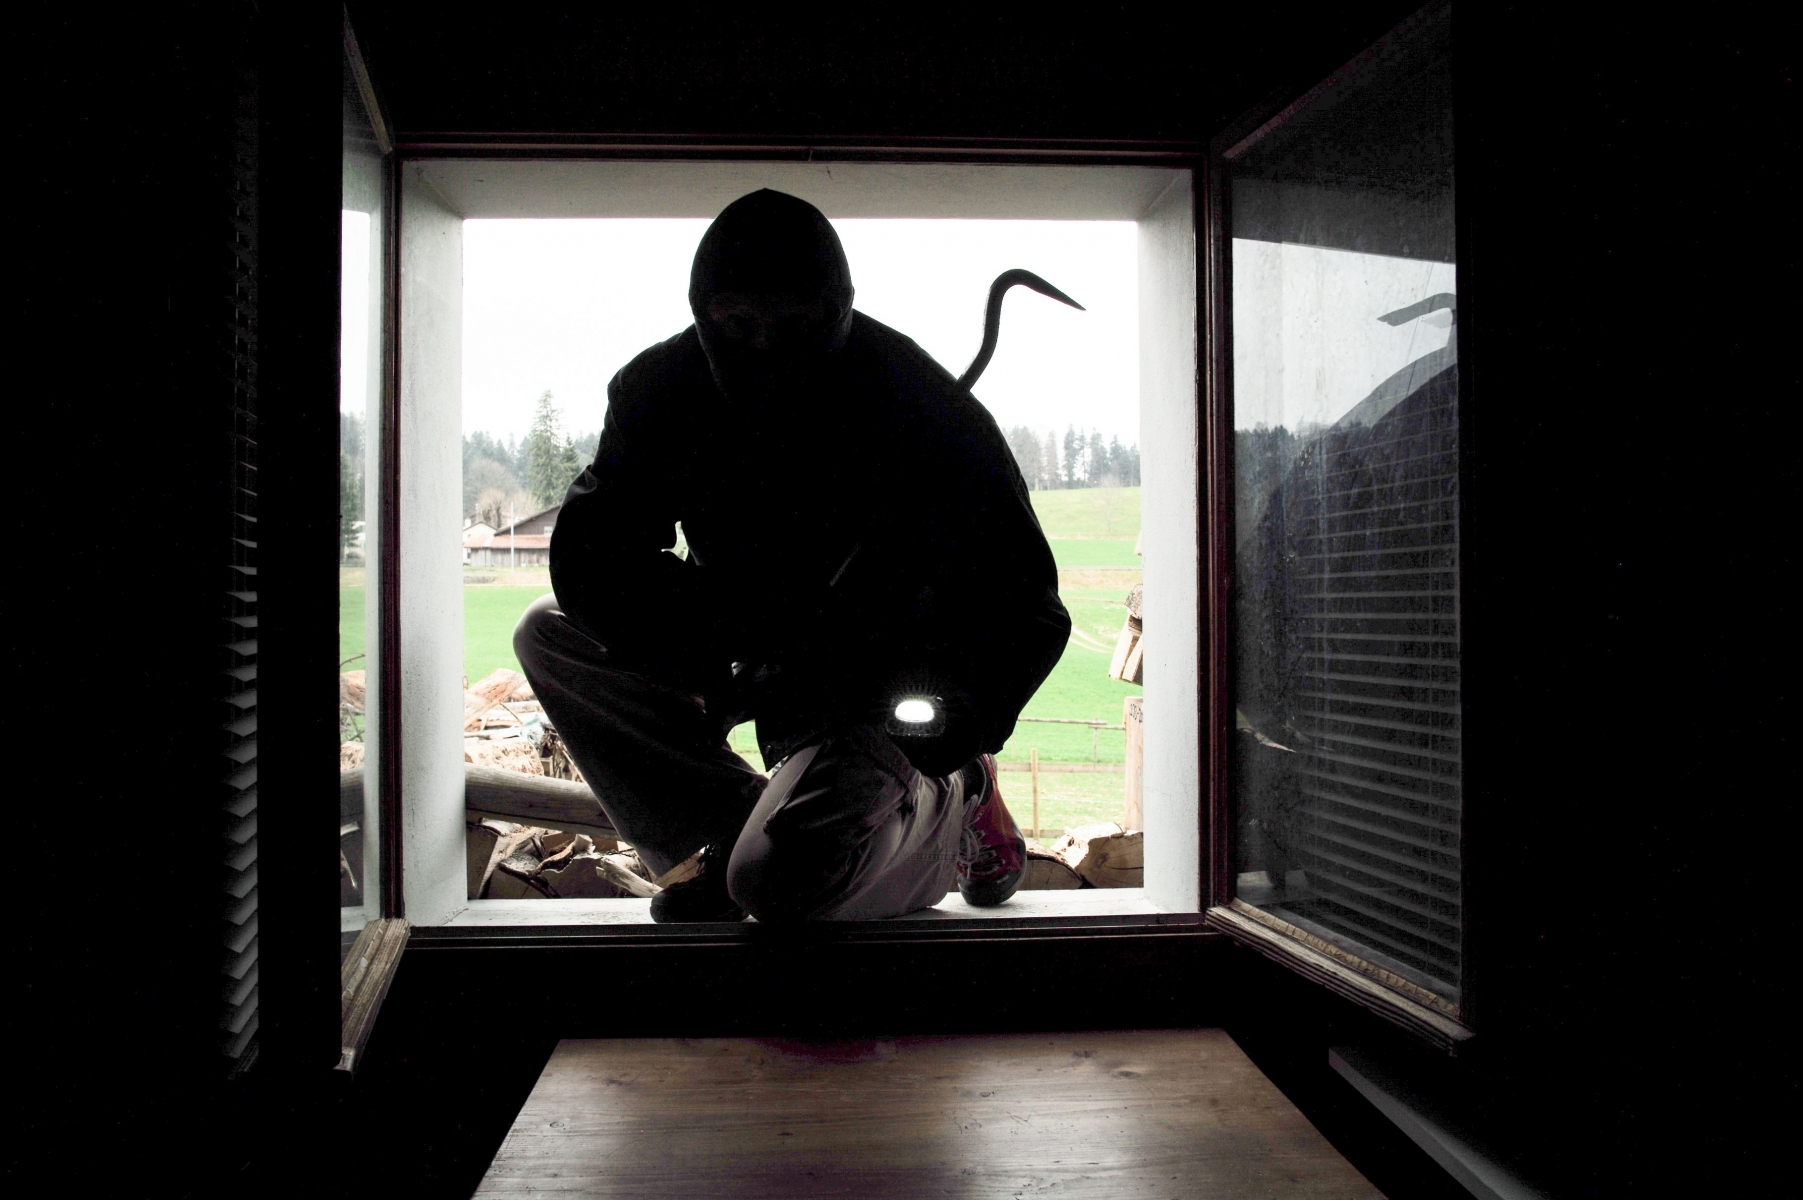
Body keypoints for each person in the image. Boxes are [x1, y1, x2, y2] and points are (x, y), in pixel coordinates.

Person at [513, 189, 1070, 922]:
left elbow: (1023, 605)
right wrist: (708, 647)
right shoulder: (659, 389)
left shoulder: (927, 410)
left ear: (837, 308)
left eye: (800, 322)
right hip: (741, 645)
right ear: (701, 310)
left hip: (879, 689)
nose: (767, 347)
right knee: (549, 633)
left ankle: (955, 796)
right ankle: (724, 832)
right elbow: (599, 556)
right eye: (738, 323)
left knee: (781, 887)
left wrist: (932, 712)